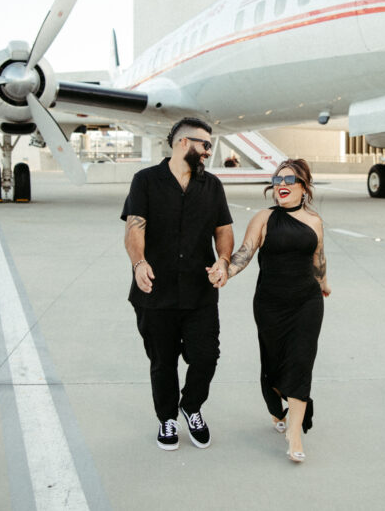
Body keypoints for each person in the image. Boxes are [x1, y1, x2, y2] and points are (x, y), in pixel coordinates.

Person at [121, 117, 234, 451]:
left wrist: (223, 261)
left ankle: (192, 406)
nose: (208, 152)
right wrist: (139, 262)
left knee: (206, 357)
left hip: (200, 291)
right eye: (205, 145)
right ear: (183, 143)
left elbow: (223, 230)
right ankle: (167, 418)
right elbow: (134, 228)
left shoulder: (212, 185)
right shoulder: (145, 181)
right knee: (163, 361)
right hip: (154, 291)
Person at [214, 158, 330, 463]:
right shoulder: (264, 218)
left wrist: (324, 282)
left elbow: (317, 257)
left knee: (300, 363)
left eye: (289, 181)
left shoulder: (315, 221)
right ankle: (276, 406)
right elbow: (245, 252)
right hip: (270, 304)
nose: (282, 186)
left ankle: (295, 435)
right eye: (278, 180)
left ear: (304, 187)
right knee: (275, 367)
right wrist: (226, 270)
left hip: (307, 302)